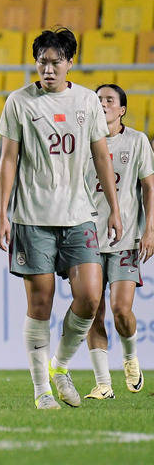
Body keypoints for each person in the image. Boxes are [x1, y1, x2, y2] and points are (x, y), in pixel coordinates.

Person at [0, 28, 123, 410]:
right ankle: (41, 391)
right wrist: (1, 213)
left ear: (70, 63)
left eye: (55, 62)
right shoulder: (19, 102)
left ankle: (59, 366)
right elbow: (8, 160)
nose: (48, 69)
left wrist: (114, 209)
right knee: (41, 304)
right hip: (32, 218)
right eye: (42, 61)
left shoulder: (86, 102)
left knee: (89, 297)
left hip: (80, 214)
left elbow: (102, 157)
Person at [82, 84, 153, 400]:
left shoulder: (137, 141)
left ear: (122, 109)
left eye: (109, 99)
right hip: (87, 240)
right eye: (98, 99)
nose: (103, 103)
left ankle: (130, 357)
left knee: (121, 310)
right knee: (92, 312)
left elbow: (149, 187)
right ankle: (103, 384)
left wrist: (149, 230)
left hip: (125, 240)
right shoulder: (82, 142)